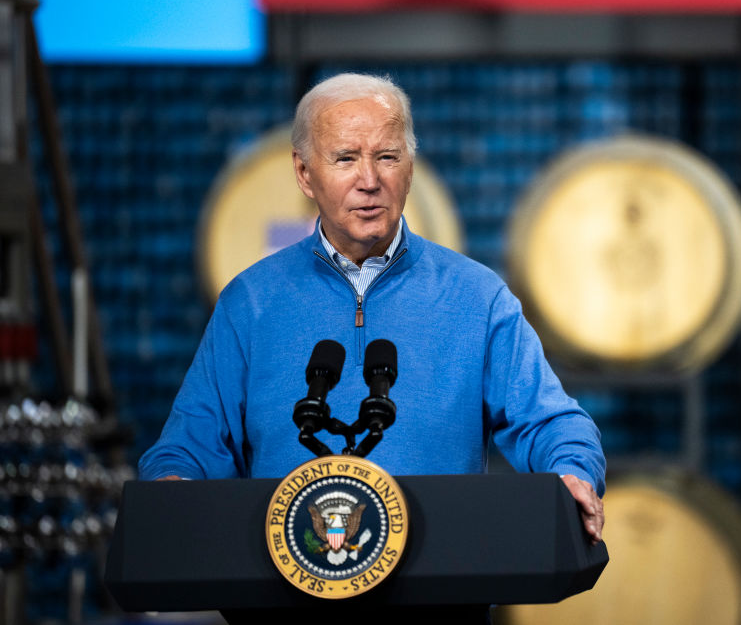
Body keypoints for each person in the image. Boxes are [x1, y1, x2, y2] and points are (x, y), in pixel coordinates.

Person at [139, 72, 605, 546]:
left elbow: (550, 420)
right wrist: (172, 485)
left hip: (439, 591)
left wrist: (572, 469)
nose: (369, 181)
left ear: (410, 167)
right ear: (304, 174)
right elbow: (190, 444)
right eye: (345, 159)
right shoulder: (250, 302)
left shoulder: (478, 297)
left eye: (387, 157)